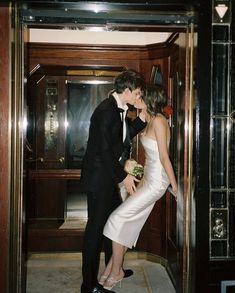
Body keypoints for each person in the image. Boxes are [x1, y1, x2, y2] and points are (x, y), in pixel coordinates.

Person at [100, 84, 178, 290]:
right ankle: (111, 269)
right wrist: (140, 180)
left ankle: (116, 272)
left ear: (150, 99)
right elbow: (149, 160)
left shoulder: (160, 121)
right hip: (147, 181)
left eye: (141, 96)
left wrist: (175, 187)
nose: (138, 98)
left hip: (157, 183)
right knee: (127, 224)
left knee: (116, 219)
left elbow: (163, 158)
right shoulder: (149, 119)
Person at [80, 69, 147, 293]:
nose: (138, 96)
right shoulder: (106, 111)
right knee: (95, 231)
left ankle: (113, 268)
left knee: (114, 224)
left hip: (107, 179)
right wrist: (125, 176)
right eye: (137, 93)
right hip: (99, 180)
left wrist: (144, 118)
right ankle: (88, 285)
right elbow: (104, 151)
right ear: (126, 91)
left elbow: (123, 137)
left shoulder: (119, 109)